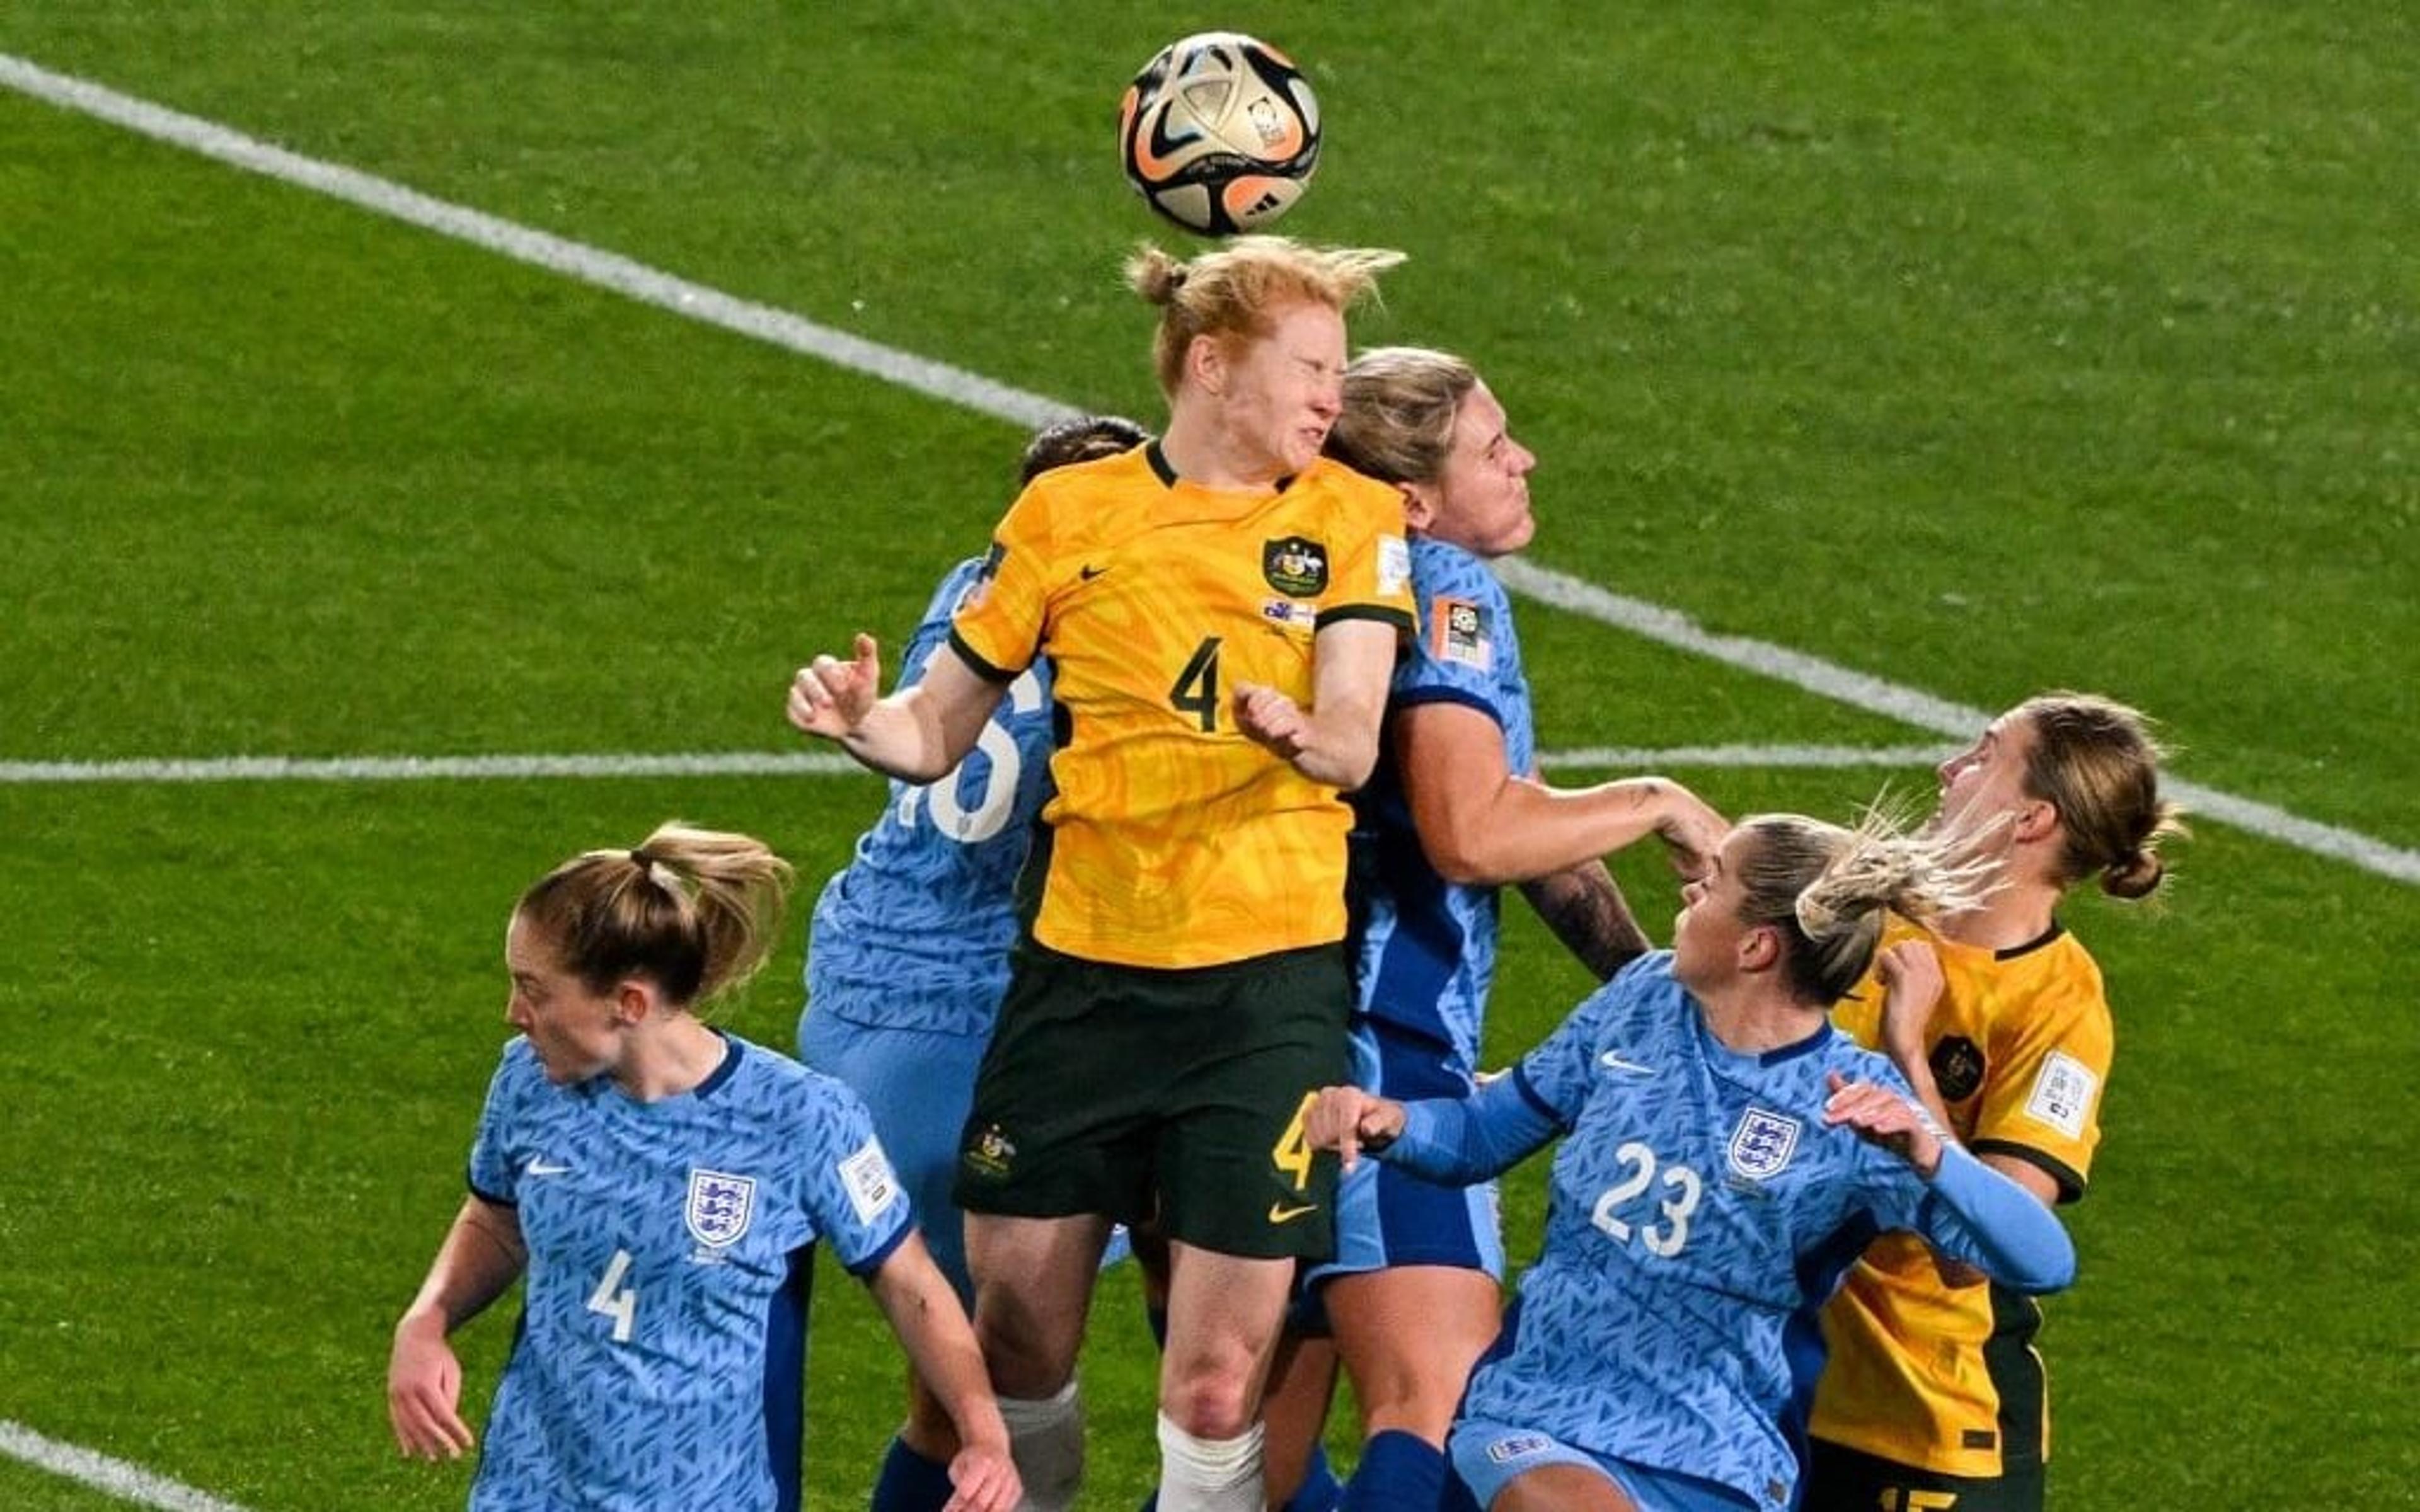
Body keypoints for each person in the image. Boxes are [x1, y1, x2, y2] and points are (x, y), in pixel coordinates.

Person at [786, 236, 1417, 1512]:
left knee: (1214, 1388)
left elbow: (1355, 732)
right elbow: (937, 731)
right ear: (1208, 364)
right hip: (1080, 979)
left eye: (1337, 373)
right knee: (1014, 1350)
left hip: (1264, 993)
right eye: (1309, 368)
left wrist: (1306, 736)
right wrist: (862, 720)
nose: (1329, 400)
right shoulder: (1068, 515)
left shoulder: (1348, 517)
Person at [1257, 346, 1728, 1512]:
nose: (1525, 461)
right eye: (1491, 448)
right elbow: (1473, 833)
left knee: (1247, 1443)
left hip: (1247, 1038)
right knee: (1439, 1416)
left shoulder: (1302, 573)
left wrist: (1653, 981)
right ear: (1415, 498)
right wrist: (1657, 800)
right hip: (1381, 1054)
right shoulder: (1446, 588)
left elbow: (1520, 821)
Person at [1303, 811, 2080, 1512]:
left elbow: (2042, 1259)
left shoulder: (1857, 1106)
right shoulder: (1641, 1002)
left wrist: (1930, 1151)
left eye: (1711, 885)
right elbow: (1480, 1138)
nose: (1687, 896)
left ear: (1755, 947)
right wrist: (1389, 1123)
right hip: (1542, 1413)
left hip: (1720, 1458)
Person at [386, 823, 1018, 1512]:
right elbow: (496, 1220)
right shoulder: (528, 1083)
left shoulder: (799, 1118)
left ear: (629, 1003)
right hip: (531, 1488)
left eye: (534, 991)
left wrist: (984, 1435)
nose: (514, 1014)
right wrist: (428, 1319)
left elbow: (911, 1286)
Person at [798, 413, 1149, 1512]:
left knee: (960, 1396)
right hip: (984, 1031)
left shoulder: (977, 591)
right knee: (1008, 1399)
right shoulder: (1125, 628)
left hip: (863, 1000)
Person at [1802, 693, 2184, 1512]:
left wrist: (1909, 1052)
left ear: (2032, 820)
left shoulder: (2058, 1006)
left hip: (1924, 1426)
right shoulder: (1867, 913)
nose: (1949, 770)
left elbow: (1983, 1246)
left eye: (1981, 757)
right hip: (1779, 1381)